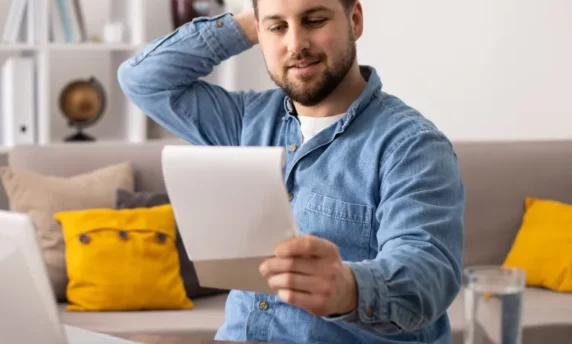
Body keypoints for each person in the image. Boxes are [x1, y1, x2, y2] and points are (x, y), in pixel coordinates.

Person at [118, 0, 465, 343]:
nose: (296, 44)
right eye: (278, 27)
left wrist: (348, 288)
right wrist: (255, 21)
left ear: (354, 21)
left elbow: (427, 271)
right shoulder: (244, 123)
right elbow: (143, 79)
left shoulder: (413, 145)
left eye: (314, 20)